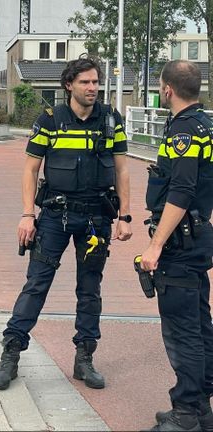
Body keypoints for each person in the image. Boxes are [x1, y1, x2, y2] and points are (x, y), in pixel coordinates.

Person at [0, 56, 132, 391]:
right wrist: (27, 214)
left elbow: (123, 169)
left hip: (97, 217)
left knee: (89, 288)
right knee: (37, 284)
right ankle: (10, 354)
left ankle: (85, 358)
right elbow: (30, 169)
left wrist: (125, 215)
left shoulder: (111, 120)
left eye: (96, 82)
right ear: (69, 85)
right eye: (85, 82)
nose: (92, 88)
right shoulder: (50, 120)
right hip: (56, 215)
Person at [140, 60, 213, 432]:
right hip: (197, 237)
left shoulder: (184, 130)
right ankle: (200, 409)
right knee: (199, 325)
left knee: (183, 330)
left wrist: (155, 246)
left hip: (180, 246)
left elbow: (181, 190)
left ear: (167, 89)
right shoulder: (206, 126)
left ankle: (186, 414)